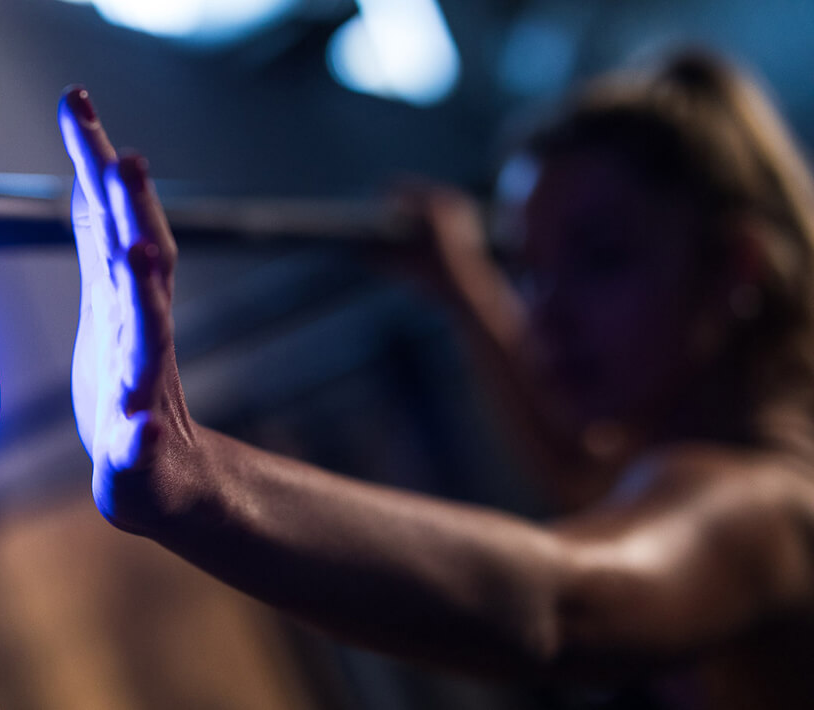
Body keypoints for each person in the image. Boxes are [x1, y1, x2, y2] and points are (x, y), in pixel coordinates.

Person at [56, 50, 814, 708]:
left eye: (601, 256)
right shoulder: (719, 459)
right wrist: (465, 287)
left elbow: (563, 603)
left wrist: (194, 478)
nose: (545, 316)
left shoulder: (766, 505)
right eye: (529, 270)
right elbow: (581, 471)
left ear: (733, 266)